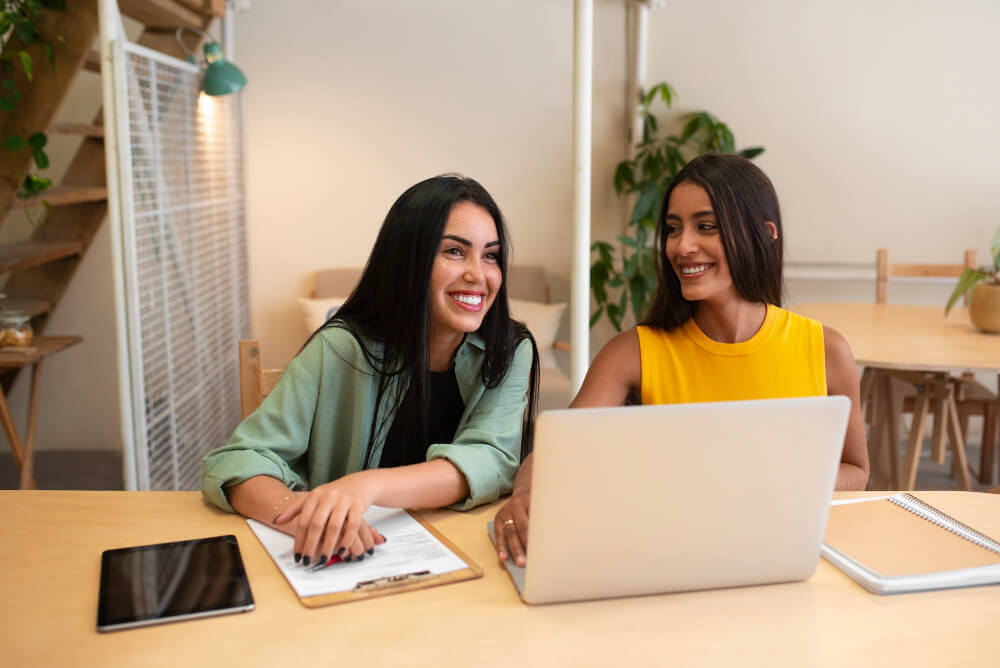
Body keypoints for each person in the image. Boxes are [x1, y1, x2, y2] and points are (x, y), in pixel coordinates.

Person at [494, 154, 869, 566]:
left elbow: (855, 471)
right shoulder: (630, 353)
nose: (682, 246)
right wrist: (526, 495)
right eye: (673, 229)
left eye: (705, 226)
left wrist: (768, 486)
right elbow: (555, 451)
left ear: (765, 234)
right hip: (672, 561)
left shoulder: (826, 350)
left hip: (783, 557)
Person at [202, 174, 538, 568]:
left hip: (470, 560)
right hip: (357, 565)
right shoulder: (341, 348)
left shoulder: (511, 351)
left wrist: (365, 486)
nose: (478, 275)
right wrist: (305, 515)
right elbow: (238, 461)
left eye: (491, 255)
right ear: (408, 259)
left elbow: (490, 459)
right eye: (453, 251)